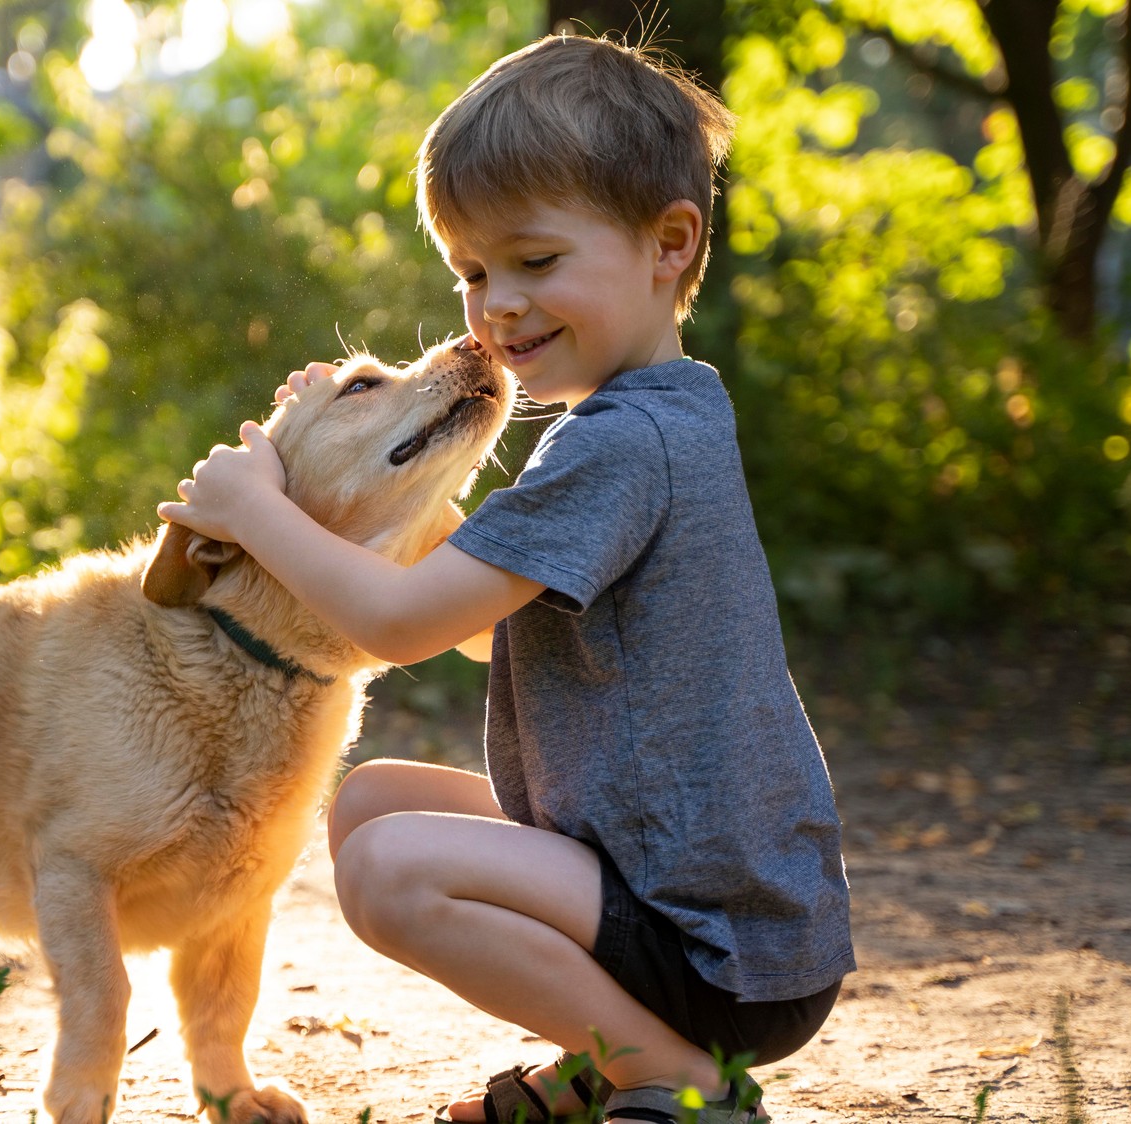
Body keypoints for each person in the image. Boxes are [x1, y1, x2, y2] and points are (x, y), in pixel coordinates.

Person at [156, 32, 852, 1124]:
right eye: (473, 273)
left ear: (669, 243)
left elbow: (400, 625)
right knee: (373, 797)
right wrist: (350, 458)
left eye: (534, 261)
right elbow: (494, 627)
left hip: (717, 940)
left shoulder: (618, 445)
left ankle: (677, 1078)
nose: (498, 306)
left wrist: (260, 510)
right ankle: (596, 1064)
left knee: (388, 870)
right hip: (704, 895)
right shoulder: (656, 415)